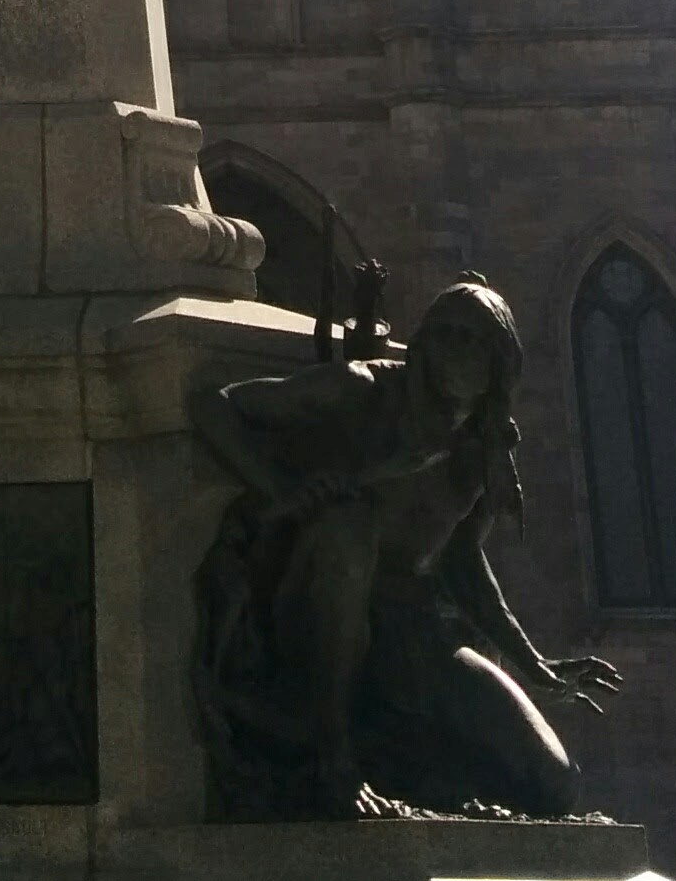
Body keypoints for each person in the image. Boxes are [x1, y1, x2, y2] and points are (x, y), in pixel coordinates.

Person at [192, 276, 619, 817]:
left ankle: (410, 762)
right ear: (423, 345)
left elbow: (461, 560)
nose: (458, 351)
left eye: (475, 340)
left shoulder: (483, 447)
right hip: (314, 611)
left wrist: (532, 664)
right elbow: (215, 406)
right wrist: (286, 489)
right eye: (448, 335)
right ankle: (332, 757)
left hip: (411, 629)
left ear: (499, 365)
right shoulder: (361, 389)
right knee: (349, 527)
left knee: (554, 785)